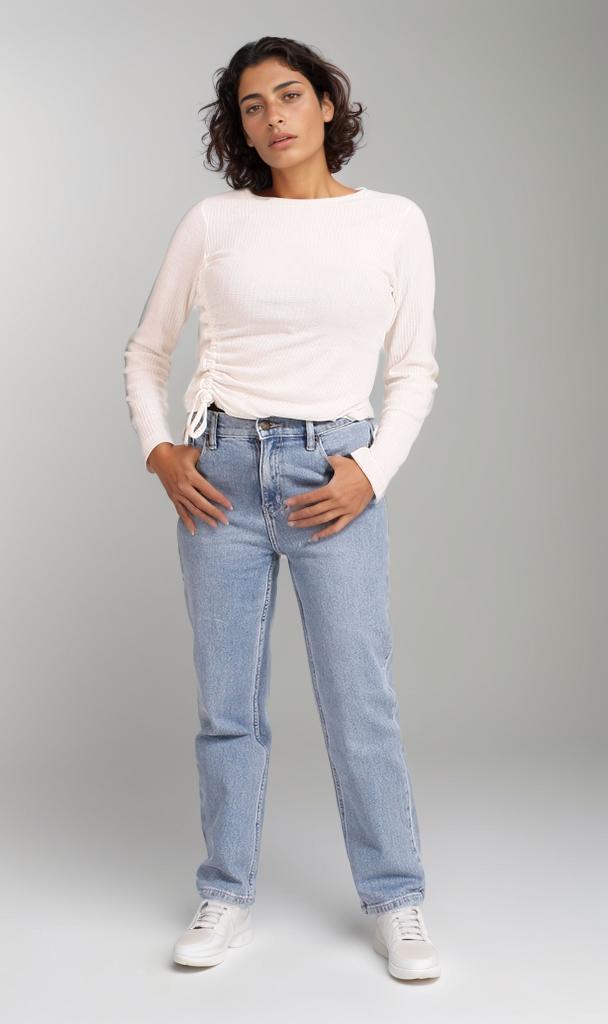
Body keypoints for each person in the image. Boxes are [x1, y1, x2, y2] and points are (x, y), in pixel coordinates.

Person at [123, 36, 440, 982]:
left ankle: (397, 899)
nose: (273, 118)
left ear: (328, 105)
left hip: (331, 475)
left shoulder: (393, 221)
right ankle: (225, 893)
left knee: (360, 701)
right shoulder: (214, 223)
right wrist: (160, 451)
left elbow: (414, 369)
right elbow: (146, 351)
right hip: (220, 475)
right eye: (253, 106)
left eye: (290, 95)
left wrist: (372, 472)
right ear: (240, 126)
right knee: (227, 705)